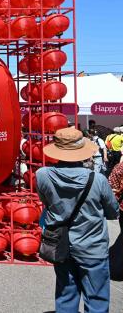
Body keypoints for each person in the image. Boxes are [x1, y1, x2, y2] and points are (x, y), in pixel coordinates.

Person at [36, 127, 119, 312]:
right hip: (93, 246)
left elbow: (46, 202)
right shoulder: (97, 179)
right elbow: (113, 212)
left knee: (66, 296)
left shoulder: (42, 175)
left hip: (60, 243)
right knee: (96, 298)